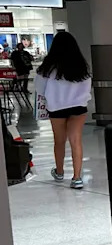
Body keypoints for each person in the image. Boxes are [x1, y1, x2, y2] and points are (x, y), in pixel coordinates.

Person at [34, 31, 91, 189]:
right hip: (78, 108)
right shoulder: (81, 67)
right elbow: (87, 87)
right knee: (76, 141)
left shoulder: (47, 68)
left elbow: (39, 89)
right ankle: (77, 177)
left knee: (59, 141)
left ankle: (59, 172)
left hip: (57, 108)